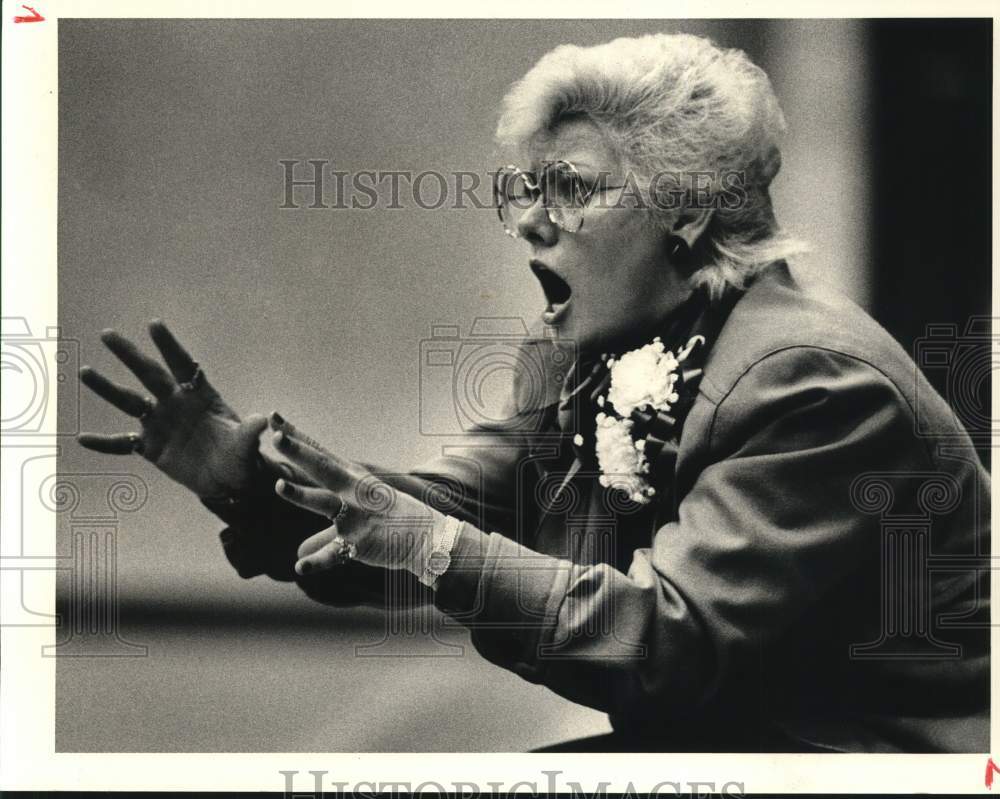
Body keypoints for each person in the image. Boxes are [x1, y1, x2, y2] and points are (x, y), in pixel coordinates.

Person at [77, 32, 989, 752]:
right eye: (526, 187)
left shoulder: (811, 381)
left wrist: (430, 545)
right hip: (744, 741)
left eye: (571, 189)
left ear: (686, 209)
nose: (527, 220)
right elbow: (443, 504)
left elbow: (667, 645)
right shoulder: (593, 348)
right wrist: (245, 473)